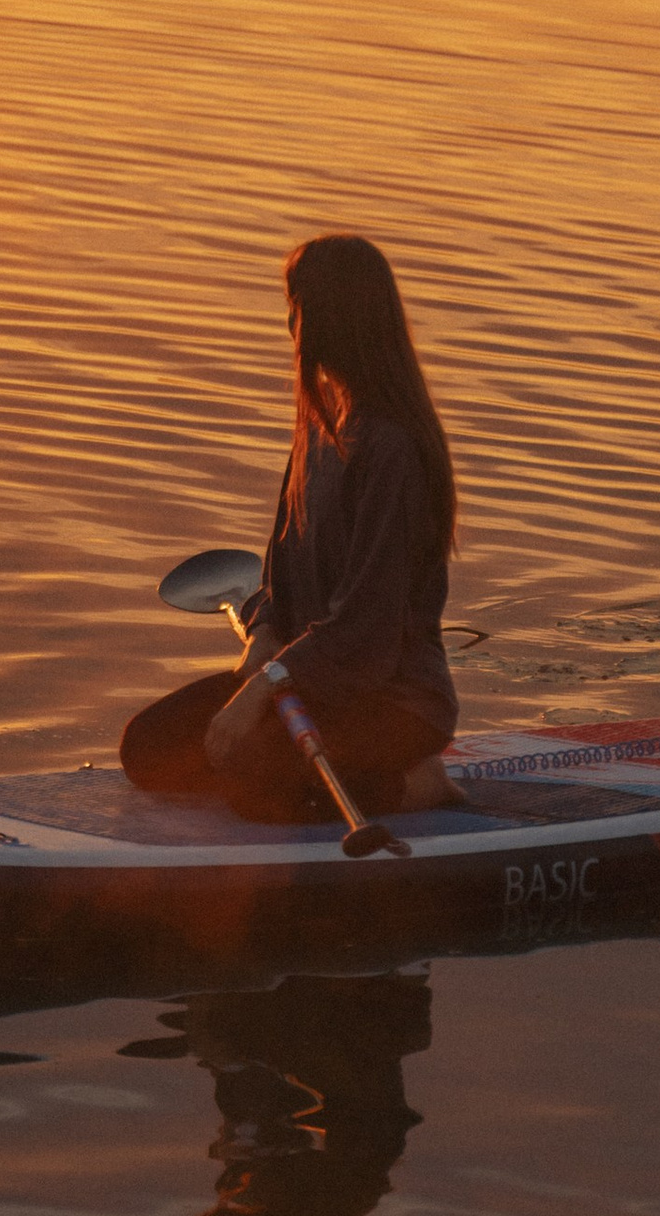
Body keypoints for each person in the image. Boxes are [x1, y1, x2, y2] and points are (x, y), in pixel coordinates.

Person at [122, 233, 459, 826]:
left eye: (297, 304)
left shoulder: (392, 450)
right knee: (149, 748)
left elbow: (367, 630)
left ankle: (418, 782)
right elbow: (280, 583)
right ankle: (298, 763)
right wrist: (263, 636)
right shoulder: (320, 429)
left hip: (393, 701)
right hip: (308, 688)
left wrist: (258, 692)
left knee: (260, 785)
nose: (289, 322)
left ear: (333, 317)